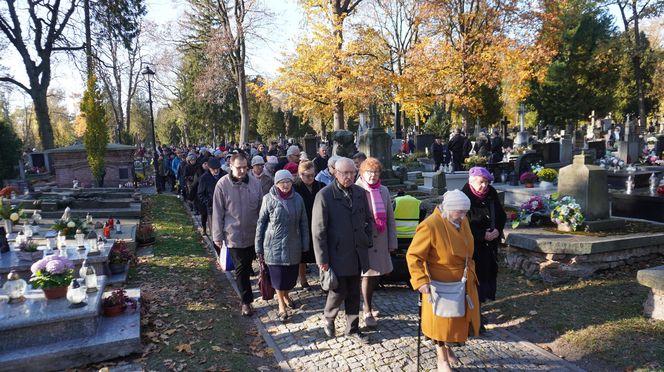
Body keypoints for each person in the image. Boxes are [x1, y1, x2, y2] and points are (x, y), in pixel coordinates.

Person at [406, 190, 481, 372]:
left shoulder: (461, 221)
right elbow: (413, 255)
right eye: (460, 212)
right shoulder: (430, 225)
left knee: (456, 321)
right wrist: (420, 280)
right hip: (440, 284)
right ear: (448, 209)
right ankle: (442, 359)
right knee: (442, 323)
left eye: (465, 212)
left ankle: (449, 350)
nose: (463, 216)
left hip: (462, 281)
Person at [312, 157, 373, 344]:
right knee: (338, 290)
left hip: (357, 251)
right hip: (336, 253)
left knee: (354, 291)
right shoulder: (325, 195)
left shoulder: (361, 193)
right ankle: (329, 317)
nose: (348, 176)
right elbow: (318, 230)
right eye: (344, 173)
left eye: (352, 173)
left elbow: (368, 219)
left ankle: (352, 328)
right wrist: (322, 259)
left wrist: (366, 239)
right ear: (335, 173)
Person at [212, 153, 263, 316]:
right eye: (238, 168)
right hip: (233, 235)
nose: (242, 171)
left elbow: (261, 209)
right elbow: (218, 212)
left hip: (253, 233)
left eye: (244, 167)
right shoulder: (222, 185)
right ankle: (246, 302)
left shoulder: (255, 183)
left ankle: (249, 293)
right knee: (241, 269)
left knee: (248, 267)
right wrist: (217, 236)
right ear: (231, 167)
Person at [255, 170, 309, 322]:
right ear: (276, 184)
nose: (285, 185)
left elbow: (303, 222)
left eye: (288, 181)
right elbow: (261, 224)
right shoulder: (268, 199)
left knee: (290, 277)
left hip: (293, 244)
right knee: (278, 278)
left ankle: (286, 295)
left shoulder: (298, 198)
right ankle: (281, 305)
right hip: (273, 245)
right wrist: (258, 247)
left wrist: (305, 243)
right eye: (282, 182)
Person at [461, 167, 506, 332]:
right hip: (472, 248)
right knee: (474, 283)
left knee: (485, 281)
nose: (484, 186)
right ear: (471, 181)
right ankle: (474, 319)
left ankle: (478, 311)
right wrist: (481, 235)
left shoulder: (491, 194)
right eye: (481, 182)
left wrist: (497, 230)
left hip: (489, 247)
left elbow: (501, 215)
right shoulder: (463, 196)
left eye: (487, 182)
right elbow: (462, 223)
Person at [355, 157, 397, 328]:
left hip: (380, 240)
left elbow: (390, 218)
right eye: (369, 172)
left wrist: (392, 242)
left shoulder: (384, 190)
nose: (372, 176)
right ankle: (367, 310)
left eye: (376, 172)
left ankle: (367, 305)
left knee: (375, 276)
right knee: (366, 275)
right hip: (364, 240)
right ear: (362, 173)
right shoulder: (357, 189)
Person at [293, 160, 325, 289]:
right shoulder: (295, 187)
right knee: (303, 254)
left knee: (321, 252)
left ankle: (324, 279)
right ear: (300, 175)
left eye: (313, 174)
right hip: (301, 224)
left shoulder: (320, 186)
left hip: (318, 222)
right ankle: (303, 279)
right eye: (307, 175)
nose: (311, 178)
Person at [197, 157, 224, 237]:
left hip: (225, 207)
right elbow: (200, 194)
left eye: (217, 169)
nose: (216, 171)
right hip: (211, 208)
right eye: (213, 169)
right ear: (209, 168)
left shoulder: (224, 175)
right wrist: (208, 202)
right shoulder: (204, 178)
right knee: (215, 233)